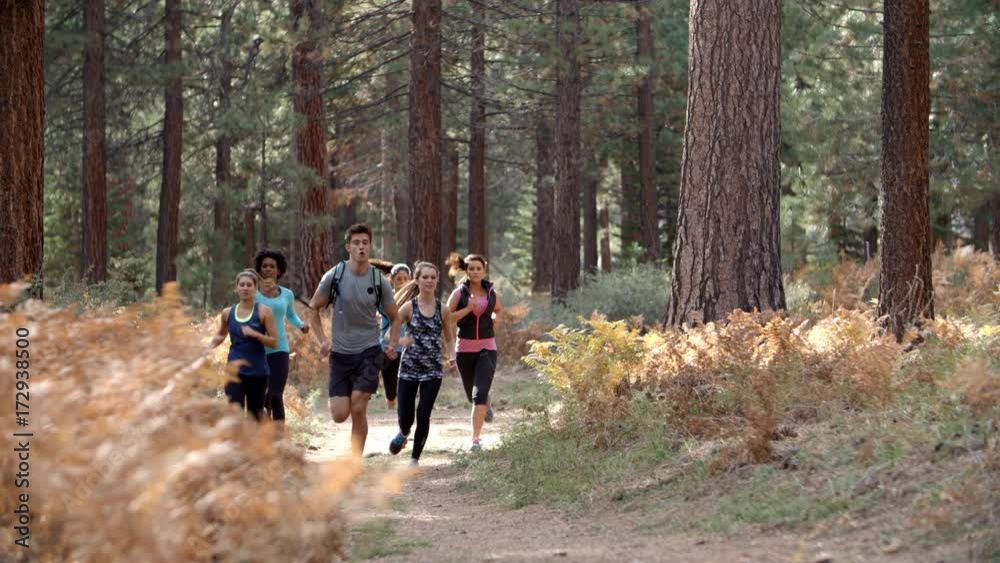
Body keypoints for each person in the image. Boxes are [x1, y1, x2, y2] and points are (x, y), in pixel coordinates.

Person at [307, 224, 400, 457]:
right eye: (356, 243)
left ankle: (355, 460)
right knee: (339, 415)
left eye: (365, 243)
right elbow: (313, 308)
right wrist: (322, 340)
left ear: (370, 246)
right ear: (348, 247)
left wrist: (392, 343)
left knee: (358, 406)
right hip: (340, 353)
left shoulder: (379, 280)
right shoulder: (335, 276)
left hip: (369, 352)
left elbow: (395, 316)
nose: (361, 247)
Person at [387, 262, 455, 466]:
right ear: (417, 280)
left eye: (433, 277)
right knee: (406, 418)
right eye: (425, 277)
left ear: (437, 280)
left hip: (433, 370)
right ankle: (403, 433)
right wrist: (400, 341)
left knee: (423, 414)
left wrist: (452, 356)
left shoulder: (443, 309)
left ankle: (414, 459)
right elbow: (391, 333)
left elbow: (449, 337)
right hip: (408, 369)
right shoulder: (409, 307)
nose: (429, 280)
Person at [446, 253, 503, 452]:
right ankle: (486, 401)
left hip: (488, 347)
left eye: (479, 268)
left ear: (484, 271)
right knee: (473, 396)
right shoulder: (458, 294)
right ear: (467, 271)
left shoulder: (492, 293)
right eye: (472, 268)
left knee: (478, 395)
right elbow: (447, 319)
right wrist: (467, 309)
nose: (475, 272)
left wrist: (495, 318)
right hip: (465, 350)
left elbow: (498, 309)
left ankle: (475, 440)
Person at [210, 270, 278, 421]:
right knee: (235, 415)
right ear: (236, 288)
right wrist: (205, 348)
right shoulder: (227, 313)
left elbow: (274, 342)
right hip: (234, 372)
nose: (245, 288)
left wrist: (255, 334)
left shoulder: (264, 312)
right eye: (242, 285)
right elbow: (221, 335)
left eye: (249, 285)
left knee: (255, 418)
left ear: (256, 288)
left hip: (258, 372)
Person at [253, 249, 309, 427]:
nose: (268, 269)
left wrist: (301, 324)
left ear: (279, 270)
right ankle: (263, 433)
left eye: (272, 266)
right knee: (260, 398)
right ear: (259, 270)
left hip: (279, 350)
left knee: (275, 395)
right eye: (264, 266)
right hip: (257, 350)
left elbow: (291, 315)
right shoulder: (252, 293)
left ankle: (279, 437)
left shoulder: (286, 294)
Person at [379, 263, 411, 408]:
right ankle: (391, 402)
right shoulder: (386, 298)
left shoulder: (414, 298)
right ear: (392, 279)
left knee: (406, 385)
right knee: (391, 391)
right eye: (399, 279)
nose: (402, 282)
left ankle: (403, 412)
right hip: (387, 348)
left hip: (407, 348)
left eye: (405, 278)